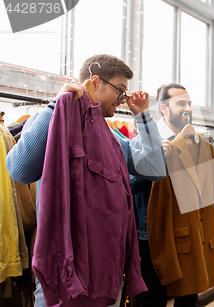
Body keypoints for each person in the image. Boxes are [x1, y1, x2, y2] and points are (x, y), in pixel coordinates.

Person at [6, 54, 166, 307]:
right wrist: (56, 107)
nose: (123, 100)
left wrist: (143, 117)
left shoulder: (112, 139)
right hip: (66, 278)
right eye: (120, 90)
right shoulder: (49, 121)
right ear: (94, 82)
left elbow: (155, 169)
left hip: (107, 273)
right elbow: (19, 170)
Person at [131, 83, 199, 307]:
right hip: (154, 235)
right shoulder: (146, 139)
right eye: (181, 103)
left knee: (189, 294)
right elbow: (129, 185)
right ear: (164, 108)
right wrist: (155, 160)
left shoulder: (194, 140)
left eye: (189, 103)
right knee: (154, 298)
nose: (187, 108)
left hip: (187, 231)